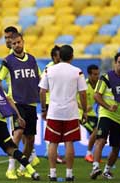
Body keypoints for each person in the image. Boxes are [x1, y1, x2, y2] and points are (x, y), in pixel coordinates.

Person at [39, 45, 88, 181]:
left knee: (53, 143)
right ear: (72, 56)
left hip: (54, 111)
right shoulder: (77, 72)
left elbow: (42, 91)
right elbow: (83, 93)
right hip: (71, 112)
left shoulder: (49, 70)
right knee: (69, 142)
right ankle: (69, 173)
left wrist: (44, 109)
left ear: (59, 56)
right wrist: (84, 111)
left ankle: (53, 173)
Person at [0, 33, 40, 179]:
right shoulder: (7, 61)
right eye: (13, 43)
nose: (16, 45)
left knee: (30, 139)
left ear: (23, 42)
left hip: (31, 103)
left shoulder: (32, 59)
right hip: (16, 103)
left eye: (18, 42)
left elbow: (39, 79)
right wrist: (3, 98)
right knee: (18, 133)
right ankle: (10, 168)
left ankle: (23, 167)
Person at [90, 52, 120, 180]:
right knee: (101, 140)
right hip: (105, 114)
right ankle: (95, 167)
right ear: (115, 63)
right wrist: (108, 106)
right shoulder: (106, 77)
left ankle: (107, 171)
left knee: (116, 148)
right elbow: (96, 95)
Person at [43, 45, 65, 164]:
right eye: (58, 56)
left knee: (57, 129)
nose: (60, 58)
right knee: (52, 128)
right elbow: (43, 88)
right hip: (50, 102)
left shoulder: (61, 67)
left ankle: (52, 152)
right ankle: (51, 152)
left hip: (58, 102)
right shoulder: (49, 68)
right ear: (53, 57)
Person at [80, 64, 100, 163]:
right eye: (95, 74)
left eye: (98, 74)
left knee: (99, 133)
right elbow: (74, 100)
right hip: (81, 114)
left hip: (92, 114)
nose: (97, 76)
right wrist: (83, 108)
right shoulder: (83, 85)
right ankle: (88, 154)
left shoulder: (99, 85)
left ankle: (95, 155)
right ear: (89, 75)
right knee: (95, 131)